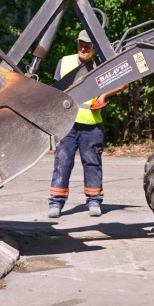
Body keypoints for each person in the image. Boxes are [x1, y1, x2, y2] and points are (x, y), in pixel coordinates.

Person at [48, 30, 107, 219]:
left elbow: (124, 82)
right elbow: (57, 90)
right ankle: (56, 203)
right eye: (81, 43)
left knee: (92, 163)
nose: (84, 47)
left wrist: (105, 95)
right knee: (62, 162)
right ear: (77, 44)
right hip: (67, 124)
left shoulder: (101, 64)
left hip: (91, 124)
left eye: (88, 44)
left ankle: (94, 201)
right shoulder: (64, 62)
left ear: (93, 46)